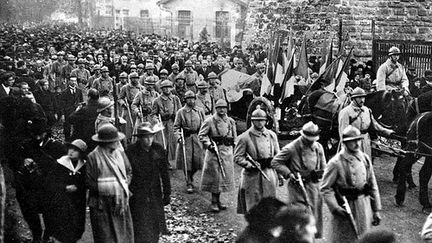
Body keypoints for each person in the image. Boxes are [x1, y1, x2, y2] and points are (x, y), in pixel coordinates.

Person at [320, 125, 381, 242]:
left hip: (363, 205)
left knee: (362, 237)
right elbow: (325, 188)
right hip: (346, 207)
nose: (357, 144)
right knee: (345, 238)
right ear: (345, 143)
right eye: (352, 141)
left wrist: (376, 210)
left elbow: (372, 184)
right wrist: (335, 207)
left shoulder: (365, 158)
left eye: (358, 140)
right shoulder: (336, 162)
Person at [271, 121, 326, 239]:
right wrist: (289, 173)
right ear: (303, 136)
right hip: (297, 189)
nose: (311, 142)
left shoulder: (318, 147)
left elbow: (323, 168)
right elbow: (275, 162)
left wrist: (320, 175)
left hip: (314, 188)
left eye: (313, 139)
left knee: (313, 219)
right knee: (299, 219)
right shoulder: (292, 148)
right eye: (309, 139)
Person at [86, 123, 134, 243]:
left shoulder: (120, 154)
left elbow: (129, 171)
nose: (118, 143)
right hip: (102, 205)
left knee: (124, 237)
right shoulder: (93, 157)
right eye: (115, 140)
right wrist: (111, 188)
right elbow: (89, 181)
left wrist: (123, 185)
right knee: (106, 237)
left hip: (120, 204)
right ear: (106, 142)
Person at [126, 122, 171, 243]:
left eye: (151, 136)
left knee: (155, 223)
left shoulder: (158, 149)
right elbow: (127, 172)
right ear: (140, 138)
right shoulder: (131, 151)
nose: (149, 140)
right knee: (139, 224)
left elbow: (164, 173)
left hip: (154, 191)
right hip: (137, 192)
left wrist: (167, 193)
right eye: (145, 137)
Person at [234, 108, 280, 214]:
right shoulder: (244, 137)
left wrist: (280, 175)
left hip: (269, 174)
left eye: (262, 120)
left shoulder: (272, 135)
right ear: (252, 121)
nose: (259, 123)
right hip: (252, 177)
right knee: (253, 206)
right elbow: (237, 157)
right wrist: (249, 165)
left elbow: (278, 157)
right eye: (256, 120)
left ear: (266, 121)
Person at [44, 139, 87, 243]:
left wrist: (79, 187)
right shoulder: (60, 164)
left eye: (75, 150)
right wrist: (64, 187)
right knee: (62, 226)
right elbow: (50, 182)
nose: (71, 152)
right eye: (70, 148)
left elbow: (86, 182)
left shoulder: (84, 166)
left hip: (77, 202)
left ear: (81, 153)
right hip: (61, 200)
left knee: (76, 226)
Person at [199, 99, 236, 212]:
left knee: (223, 178)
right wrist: (209, 145)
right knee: (215, 178)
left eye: (224, 107)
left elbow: (234, 136)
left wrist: (234, 146)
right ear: (216, 108)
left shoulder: (230, 121)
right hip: (214, 152)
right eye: (219, 107)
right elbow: (202, 135)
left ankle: (219, 200)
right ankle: (213, 202)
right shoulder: (209, 121)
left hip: (227, 152)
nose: (222, 110)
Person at [338, 87, 394, 159]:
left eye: (363, 98)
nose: (362, 100)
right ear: (353, 99)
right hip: (352, 142)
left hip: (365, 141)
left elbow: (375, 125)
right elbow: (343, 133)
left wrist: (387, 131)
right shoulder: (346, 112)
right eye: (359, 98)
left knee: (365, 164)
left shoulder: (366, 110)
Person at [173, 90, 206, 193]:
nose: (191, 101)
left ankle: (191, 176)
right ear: (185, 100)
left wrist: (204, 137)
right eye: (189, 99)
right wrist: (179, 137)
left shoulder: (200, 111)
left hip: (197, 137)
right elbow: (176, 127)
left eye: (192, 98)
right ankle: (188, 182)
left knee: (197, 161)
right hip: (186, 138)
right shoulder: (181, 112)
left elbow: (204, 125)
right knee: (187, 161)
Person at [152, 80, 182, 167]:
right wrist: (157, 120)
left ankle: (168, 161)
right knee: (162, 143)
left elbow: (180, 111)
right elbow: (153, 114)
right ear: (161, 89)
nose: (167, 90)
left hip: (173, 123)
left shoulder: (175, 99)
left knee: (171, 143)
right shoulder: (157, 100)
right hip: (163, 124)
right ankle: (162, 161)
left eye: (169, 87)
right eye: (165, 88)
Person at [119, 72, 144, 142]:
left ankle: (137, 139)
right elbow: (120, 98)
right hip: (128, 108)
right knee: (128, 125)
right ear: (130, 79)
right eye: (133, 78)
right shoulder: (125, 87)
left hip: (138, 108)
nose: (135, 80)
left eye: (136, 78)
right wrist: (123, 104)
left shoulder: (142, 88)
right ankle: (127, 139)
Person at [61, 75, 83, 141]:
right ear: (68, 81)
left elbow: (81, 102)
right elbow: (62, 105)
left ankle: (76, 140)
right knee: (67, 127)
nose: (74, 82)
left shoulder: (79, 91)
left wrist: (80, 108)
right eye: (72, 81)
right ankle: (67, 141)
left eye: (75, 81)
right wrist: (62, 114)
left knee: (77, 126)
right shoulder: (64, 92)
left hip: (77, 111)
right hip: (68, 111)